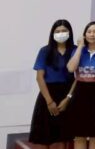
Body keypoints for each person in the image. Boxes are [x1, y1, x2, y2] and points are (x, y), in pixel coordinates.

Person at [29, 19, 76, 149]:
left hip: (68, 94)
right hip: (48, 94)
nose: (61, 33)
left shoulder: (75, 51)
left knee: (62, 137)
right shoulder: (45, 51)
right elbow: (39, 77)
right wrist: (49, 102)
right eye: (58, 31)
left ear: (69, 33)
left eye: (64, 31)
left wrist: (68, 98)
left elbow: (78, 77)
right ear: (52, 33)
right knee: (43, 136)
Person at [66, 21, 95, 149]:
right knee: (79, 134)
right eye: (89, 32)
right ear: (84, 35)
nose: (92, 34)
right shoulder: (78, 51)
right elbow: (71, 68)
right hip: (80, 93)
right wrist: (79, 47)